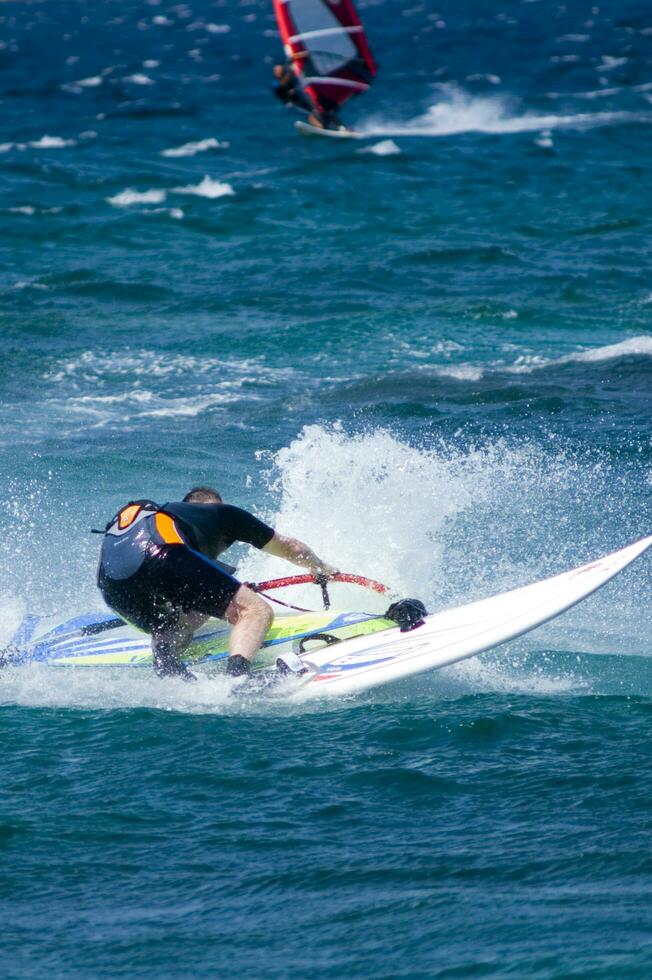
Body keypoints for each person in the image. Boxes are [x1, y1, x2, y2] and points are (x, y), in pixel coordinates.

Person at [96, 487, 338, 681]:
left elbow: (144, 568)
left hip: (111, 587)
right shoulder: (221, 514)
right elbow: (289, 547)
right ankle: (238, 678)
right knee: (255, 610)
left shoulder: (154, 518)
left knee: (172, 624)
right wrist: (322, 568)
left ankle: (167, 664)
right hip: (165, 557)